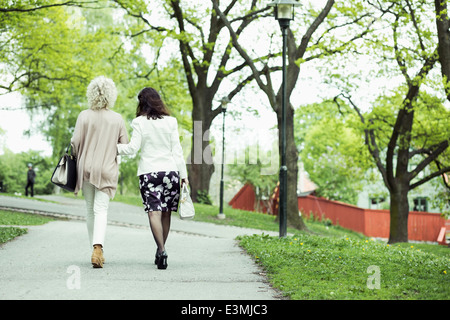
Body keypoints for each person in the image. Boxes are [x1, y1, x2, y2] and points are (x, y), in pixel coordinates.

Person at [117, 87, 188, 270]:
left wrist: (113, 147)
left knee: (153, 212)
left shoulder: (139, 122)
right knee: (166, 213)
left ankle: (162, 250)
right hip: (171, 172)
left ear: (143, 103)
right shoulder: (171, 122)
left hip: (149, 173)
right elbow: (177, 151)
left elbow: (132, 148)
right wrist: (184, 176)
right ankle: (160, 250)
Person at [71, 76, 129, 268]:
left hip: (85, 167)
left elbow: (74, 143)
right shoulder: (117, 119)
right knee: (101, 209)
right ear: (111, 95)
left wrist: (78, 154)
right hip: (106, 168)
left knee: (90, 209)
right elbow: (124, 145)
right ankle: (98, 249)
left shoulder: (83, 116)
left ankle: (95, 250)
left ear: (92, 93)